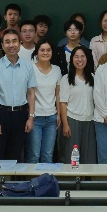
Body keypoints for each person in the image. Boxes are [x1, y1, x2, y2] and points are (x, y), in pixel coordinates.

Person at [0, 30, 37, 162]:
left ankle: (14, 177)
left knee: (16, 156)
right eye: (7, 42)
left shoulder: (28, 66)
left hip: (21, 115)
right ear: (2, 46)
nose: (11, 45)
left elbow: (31, 93)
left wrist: (31, 117)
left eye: (14, 41)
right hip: (1, 114)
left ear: (20, 43)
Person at [58, 44, 97, 163]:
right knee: (72, 158)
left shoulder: (92, 77)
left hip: (89, 120)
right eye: (76, 57)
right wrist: (65, 125)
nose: (80, 60)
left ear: (87, 59)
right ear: (71, 59)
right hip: (72, 121)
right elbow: (63, 103)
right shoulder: (66, 78)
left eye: (82, 56)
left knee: (88, 157)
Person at [28, 34, 62, 164]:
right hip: (35, 118)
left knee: (48, 155)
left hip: (51, 118)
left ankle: (46, 178)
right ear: (37, 52)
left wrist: (58, 114)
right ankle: (33, 178)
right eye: (42, 50)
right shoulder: (30, 69)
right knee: (34, 155)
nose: (45, 53)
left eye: (48, 50)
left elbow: (57, 94)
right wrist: (30, 116)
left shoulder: (57, 70)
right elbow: (30, 94)